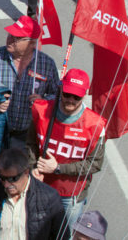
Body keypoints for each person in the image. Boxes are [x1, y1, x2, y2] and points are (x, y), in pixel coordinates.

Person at [26, 67, 106, 227]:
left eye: (76, 97)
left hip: (70, 196)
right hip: (40, 185)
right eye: (67, 94)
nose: (70, 100)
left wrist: (58, 168)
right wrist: (32, 167)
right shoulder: (40, 110)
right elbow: (31, 144)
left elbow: (94, 164)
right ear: (60, 89)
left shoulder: (95, 125)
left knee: (65, 236)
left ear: (84, 95)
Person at [0, 15, 61, 144]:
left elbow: (57, 95)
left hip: (28, 134)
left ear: (32, 43)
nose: (10, 39)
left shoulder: (46, 64)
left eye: (17, 38)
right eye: (10, 34)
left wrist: (43, 101)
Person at [0, 147, 64, 240]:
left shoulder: (49, 197)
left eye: (12, 179)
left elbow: (61, 235)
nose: (6, 184)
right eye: (3, 178)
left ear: (26, 172)